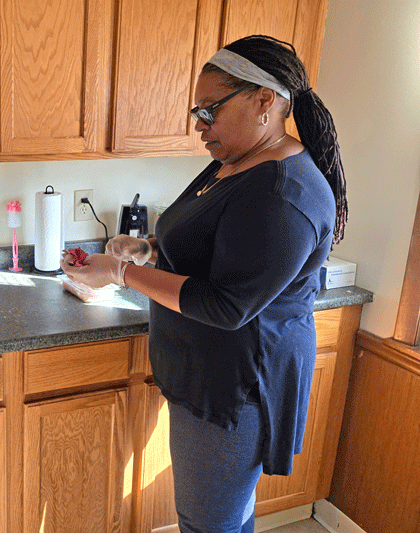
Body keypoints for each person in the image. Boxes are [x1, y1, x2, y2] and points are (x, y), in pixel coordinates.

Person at [61, 35, 347, 533]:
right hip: (206, 372)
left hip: (236, 387)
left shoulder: (284, 193)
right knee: (225, 519)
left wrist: (123, 275)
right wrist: (147, 248)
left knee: (208, 524)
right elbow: (210, 247)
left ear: (264, 101)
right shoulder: (235, 160)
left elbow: (227, 304)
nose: (199, 125)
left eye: (209, 110)